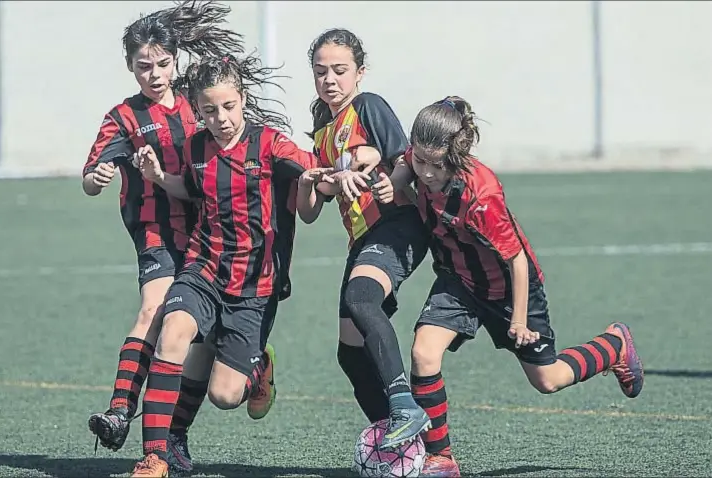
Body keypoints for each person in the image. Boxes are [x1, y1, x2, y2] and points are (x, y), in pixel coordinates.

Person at [374, 96, 645, 476]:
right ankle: (441, 458)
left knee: (547, 381)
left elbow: (516, 260)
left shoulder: (482, 197)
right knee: (423, 353)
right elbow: (405, 162)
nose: (428, 172)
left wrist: (519, 320)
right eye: (421, 161)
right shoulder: (418, 156)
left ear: (458, 155)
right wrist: (396, 181)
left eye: (438, 165)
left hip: (509, 290)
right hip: (458, 281)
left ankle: (614, 345)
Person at [130, 51, 316, 477]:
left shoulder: (270, 144)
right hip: (203, 268)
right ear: (198, 110)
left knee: (226, 395)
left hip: (255, 286)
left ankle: (258, 365)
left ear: (244, 99)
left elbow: (308, 193)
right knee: (172, 331)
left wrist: (318, 179)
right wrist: (160, 177)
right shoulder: (195, 147)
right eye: (209, 110)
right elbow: (190, 188)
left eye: (229, 107)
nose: (222, 118)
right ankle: (157, 453)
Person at [82, 0, 245, 453]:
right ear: (130, 67)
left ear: (176, 60)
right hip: (157, 234)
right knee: (155, 311)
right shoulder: (124, 118)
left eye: (163, 64)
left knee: (204, 344)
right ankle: (120, 411)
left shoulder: (200, 105)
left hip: (212, 234)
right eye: (143, 66)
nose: (154, 74)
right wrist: (96, 177)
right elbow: (91, 178)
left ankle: (247, 364)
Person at [296, 28, 432, 449]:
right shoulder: (321, 130)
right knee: (350, 354)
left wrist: (393, 179)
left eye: (339, 70)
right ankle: (403, 444)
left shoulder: (368, 107)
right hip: (363, 239)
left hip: (397, 225)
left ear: (360, 72)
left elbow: (405, 157)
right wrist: (309, 182)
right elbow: (310, 212)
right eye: (321, 72)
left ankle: (405, 404)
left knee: (361, 300)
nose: (329, 80)